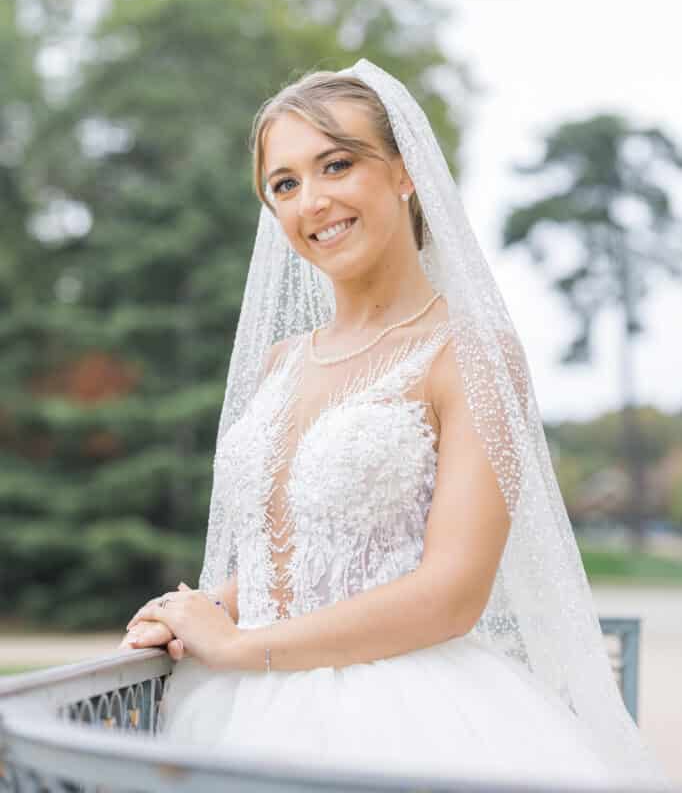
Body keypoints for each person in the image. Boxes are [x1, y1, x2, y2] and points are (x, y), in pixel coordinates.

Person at [120, 59, 670, 788]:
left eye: (336, 165)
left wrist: (242, 649)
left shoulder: (468, 353)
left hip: (401, 722)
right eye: (283, 184)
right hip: (235, 713)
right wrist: (197, 609)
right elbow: (289, 559)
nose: (310, 201)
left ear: (405, 172)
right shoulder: (280, 362)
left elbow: (451, 593)